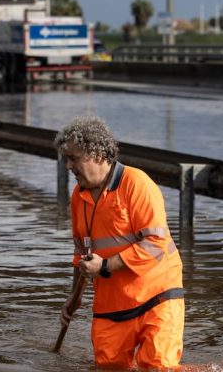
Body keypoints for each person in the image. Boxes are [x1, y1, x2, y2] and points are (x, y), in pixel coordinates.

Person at [55, 116, 185, 370]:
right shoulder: (77, 197)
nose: (68, 165)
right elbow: (81, 253)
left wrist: (105, 265)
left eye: (73, 158)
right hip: (112, 303)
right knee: (108, 368)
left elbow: (156, 243)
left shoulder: (137, 184)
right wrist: (75, 296)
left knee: (159, 367)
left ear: (97, 153)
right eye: (66, 159)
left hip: (157, 297)